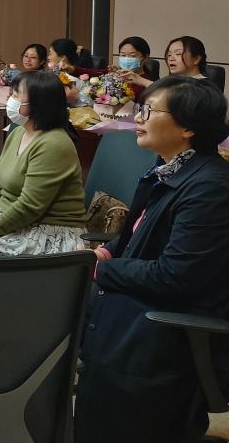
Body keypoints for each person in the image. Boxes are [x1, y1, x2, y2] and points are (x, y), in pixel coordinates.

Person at [76, 76, 229, 443]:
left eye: (148, 111)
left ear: (187, 128)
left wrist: (102, 269)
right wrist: (109, 251)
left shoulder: (210, 188)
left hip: (169, 325)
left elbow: (176, 276)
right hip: (144, 302)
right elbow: (140, 232)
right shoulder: (169, 169)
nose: (137, 117)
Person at [0, 71, 86, 255]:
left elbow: (29, 207)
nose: (10, 99)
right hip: (16, 224)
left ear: (39, 103)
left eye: (17, 95)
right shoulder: (18, 132)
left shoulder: (53, 144)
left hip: (48, 233)